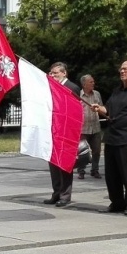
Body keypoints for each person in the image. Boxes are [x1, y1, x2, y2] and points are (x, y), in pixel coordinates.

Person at [92, 60, 127, 215]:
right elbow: (108, 110)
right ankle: (116, 202)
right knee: (111, 174)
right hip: (111, 137)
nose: (122, 71)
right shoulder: (117, 90)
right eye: (121, 69)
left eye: (126, 69)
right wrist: (99, 108)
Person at [43, 62, 81, 207]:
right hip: (53, 131)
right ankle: (56, 192)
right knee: (53, 164)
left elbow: (75, 111)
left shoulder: (72, 87)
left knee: (65, 164)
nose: (52, 75)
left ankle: (65, 195)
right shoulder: (52, 87)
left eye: (55, 73)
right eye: (51, 73)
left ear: (64, 73)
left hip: (66, 132)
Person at [79, 74, 103, 179]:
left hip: (95, 127)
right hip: (83, 128)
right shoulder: (78, 95)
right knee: (82, 151)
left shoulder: (97, 94)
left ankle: (95, 170)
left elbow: (102, 107)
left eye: (93, 82)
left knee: (97, 150)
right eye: (91, 82)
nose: (93, 83)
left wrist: (99, 109)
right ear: (84, 84)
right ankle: (81, 170)